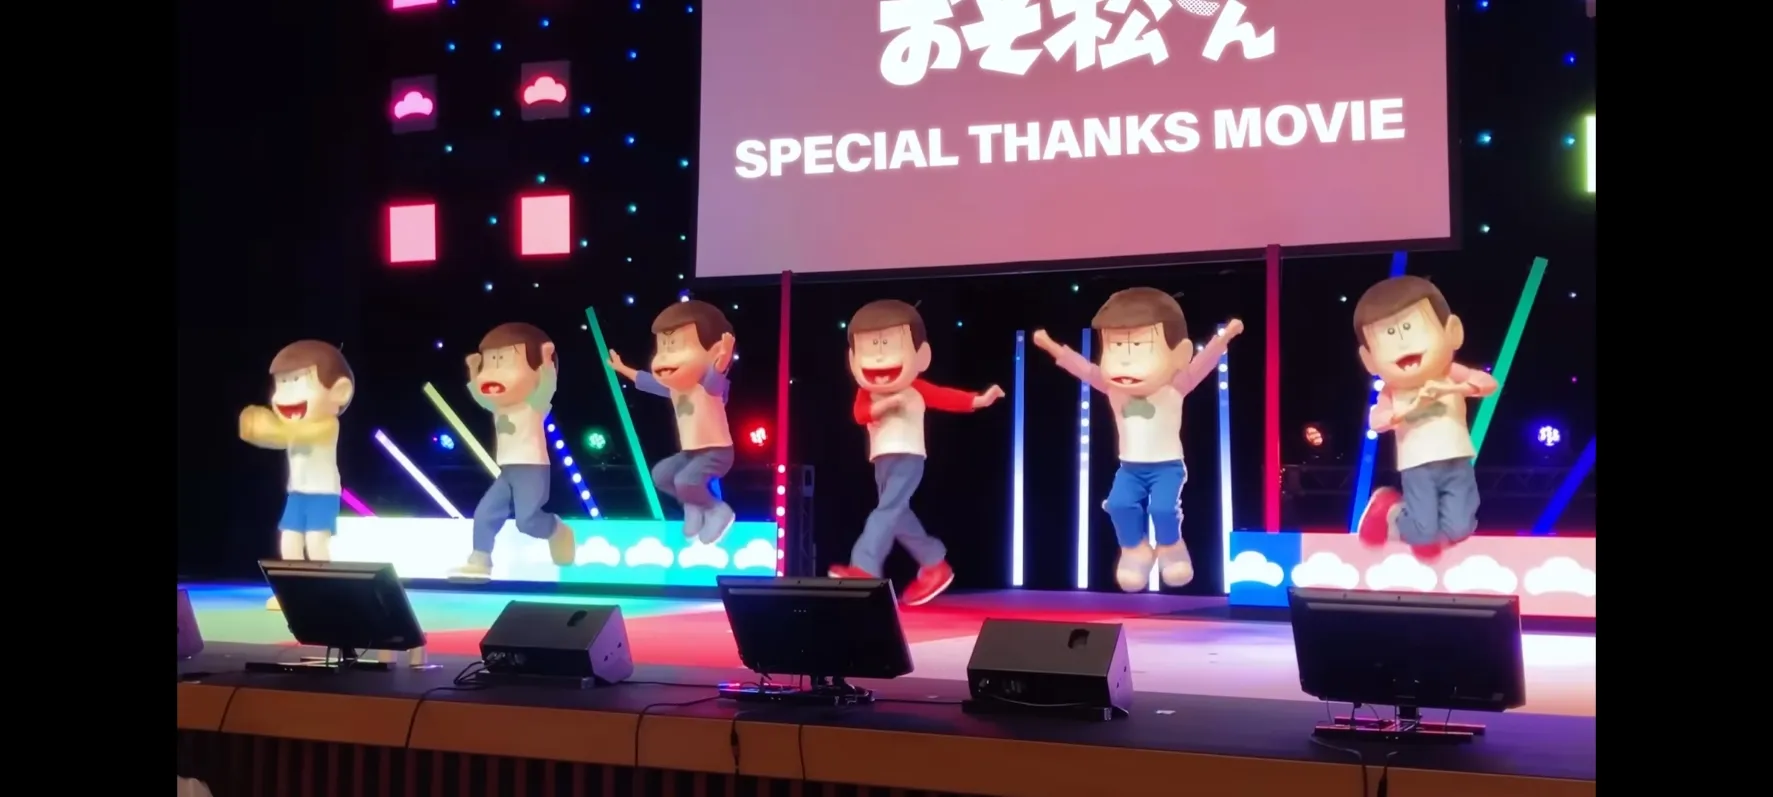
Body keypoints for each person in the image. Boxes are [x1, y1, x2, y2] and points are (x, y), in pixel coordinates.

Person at [1032, 288, 1242, 592]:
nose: (1127, 363)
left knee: (1162, 510)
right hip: (1130, 468)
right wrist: (1051, 346)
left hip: (1167, 466)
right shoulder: (1114, 388)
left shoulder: (1176, 385)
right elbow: (1084, 369)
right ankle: (1135, 550)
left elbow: (1203, 362)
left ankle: (1171, 547)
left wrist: (1225, 337)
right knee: (1118, 504)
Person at [827, 300, 1003, 606]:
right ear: (853, 358)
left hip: (908, 457)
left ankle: (864, 566)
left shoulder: (916, 389)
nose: (879, 355)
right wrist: (885, 404)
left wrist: (980, 400)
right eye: (870, 347)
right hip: (882, 459)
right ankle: (934, 564)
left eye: (887, 344)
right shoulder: (867, 393)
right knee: (897, 515)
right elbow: (859, 414)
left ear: (921, 356)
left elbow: (947, 397)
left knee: (886, 512)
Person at [1351, 276, 1497, 561]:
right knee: (1423, 531)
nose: (1403, 342)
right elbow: (1377, 421)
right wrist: (1409, 409)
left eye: (1409, 328)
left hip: (1457, 459)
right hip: (1418, 465)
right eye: (1389, 334)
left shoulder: (1449, 373)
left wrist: (1451, 389)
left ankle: (1409, 529)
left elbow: (1488, 384)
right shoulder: (1393, 390)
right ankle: (1394, 513)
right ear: (1369, 359)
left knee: (1460, 527)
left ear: (1451, 332)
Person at [448, 322, 576, 580]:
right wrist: (473, 369)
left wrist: (546, 361)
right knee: (484, 513)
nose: (494, 372)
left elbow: (547, 386)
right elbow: (479, 396)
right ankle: (480, 560)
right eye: (490, 362)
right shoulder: (499, 408)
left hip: (532, 469)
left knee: (526, 521)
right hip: (507, 470)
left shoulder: (534, 404)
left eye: (504, 362)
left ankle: (556, 529)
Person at [607, 300, 739, 544]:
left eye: (676, 347)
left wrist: (722, 359)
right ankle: (693, 505)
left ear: (713, 351)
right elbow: (647, 381)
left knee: (685, 480)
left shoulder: (708, 386)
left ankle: (717, 510)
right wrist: (622, 368)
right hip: (690, 453)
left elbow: (715, 376)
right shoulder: (677, 388)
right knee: (661, 475)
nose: (665, 357)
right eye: (663, 348)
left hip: (716, 452)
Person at [239, 340, 356, 611]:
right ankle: (293, 594)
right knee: (289, 542)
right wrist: (257, 428)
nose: (285, 395)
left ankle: (327, 593)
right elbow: (279, 437)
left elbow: (292, 435)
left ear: (339, 392)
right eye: (282, 383)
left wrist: (263, 425)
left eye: (298, 381)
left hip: (323, 493)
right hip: (297, 493)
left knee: (316, 545)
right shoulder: (292, 426)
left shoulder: (327, 424)